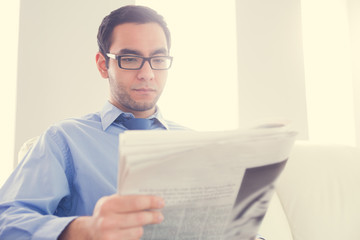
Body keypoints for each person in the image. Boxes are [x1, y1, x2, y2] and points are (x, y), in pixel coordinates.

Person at [0, 5, 186, 240]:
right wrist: (87, 230)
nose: (147, 73)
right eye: (130, 58)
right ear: (102, 65)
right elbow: (6, 219)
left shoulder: (195, 143)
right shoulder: (64, 139)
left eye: (158, 59)